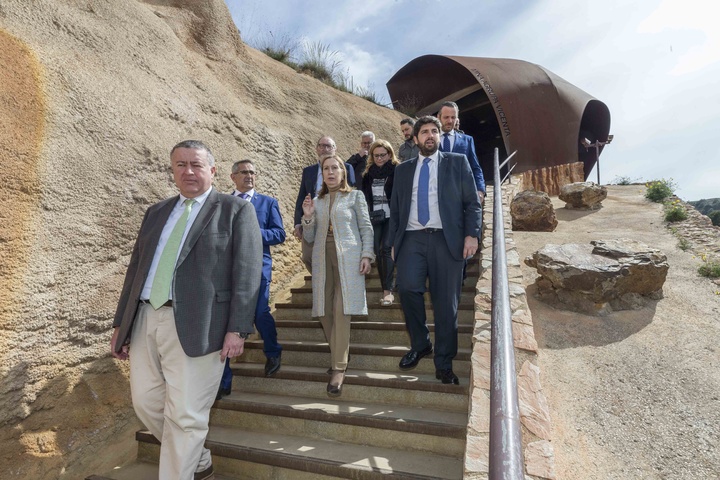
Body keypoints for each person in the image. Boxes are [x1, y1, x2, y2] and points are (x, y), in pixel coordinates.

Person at [111, 140, 263, 480]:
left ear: (212, 170)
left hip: (202, 324)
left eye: (196, 164)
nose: (188, 171)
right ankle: (198, 459)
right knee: (146, 403)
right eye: (181, 165)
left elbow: (248, 272)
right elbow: (135, 270)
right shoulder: (156, 212)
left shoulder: (235, 210)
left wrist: (238, 328)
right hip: (145, 319)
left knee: (186, 416)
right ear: (173, 171)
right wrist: (122, 323)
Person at [389, 117, 482, 385]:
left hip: (446, 239)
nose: (430, 135)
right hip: (411, 239)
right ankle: (421, 344)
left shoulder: (456, 162)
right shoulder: (403, 170)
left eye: (434, 131)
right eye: (424, 132)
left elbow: (472, 203)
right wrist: (394, 242)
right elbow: (396, 209)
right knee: (406, 289)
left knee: (446, 305)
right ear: (415, 138)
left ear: (440, 136)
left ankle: (444, 362)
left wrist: (471, 235)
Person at [301, 154, 374, 396]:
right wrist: (308, 217)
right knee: (324, 310)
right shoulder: (317, 200)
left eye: (335, 168)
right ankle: (340, 350)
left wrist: (367, 255)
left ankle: (338, 368)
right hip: (322, 258)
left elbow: (366, 228)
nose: (330, 172)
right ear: (321, 174)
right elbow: (309, 238)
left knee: (342, 309)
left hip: (350, 258)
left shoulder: (355, 196)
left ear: (343, 172)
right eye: (326, 169)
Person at [218, 159, 286, 399]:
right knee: (224, 322)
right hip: (226, 270)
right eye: (244, 172)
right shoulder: (222, 203)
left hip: (258, 268)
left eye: (253, 173)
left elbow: (279, 234)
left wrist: (252, 231)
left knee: (258, 313)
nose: (249, 176)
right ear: (233, 177)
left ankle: (273, 350)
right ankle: (224, 381)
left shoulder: (268, 203)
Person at [293, 136, 356, 272]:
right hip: (312, 216)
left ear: (335, 149)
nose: (325, 149)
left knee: (336, 254)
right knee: (307, 256)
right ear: (316, 149)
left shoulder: (347, 167)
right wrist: (298, 222)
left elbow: (350, 192)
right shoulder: (308, 171)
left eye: (329, 146)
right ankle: (320, 278)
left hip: (336, 216)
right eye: (321, 146)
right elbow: (301, 196)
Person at [361, 139, 398, 306]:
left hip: (392, 216)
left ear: (389, 154)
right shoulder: (368, 173)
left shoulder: (397, 170)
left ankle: (387, 291)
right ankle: (388, 285)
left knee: (385, 249)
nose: (379, 159)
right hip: (375, 217)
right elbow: (365, 197)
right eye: (376, 156)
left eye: (383, 155)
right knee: (376, 249)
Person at [437, 101, 486, 202]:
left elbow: (475, 167)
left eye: (453, 117)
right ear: (439, 117)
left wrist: (480, 190)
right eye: (446, 117)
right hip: (436, 196)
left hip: (461, 197)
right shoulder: (430, 140)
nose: (450, 121)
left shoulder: (467, 140)